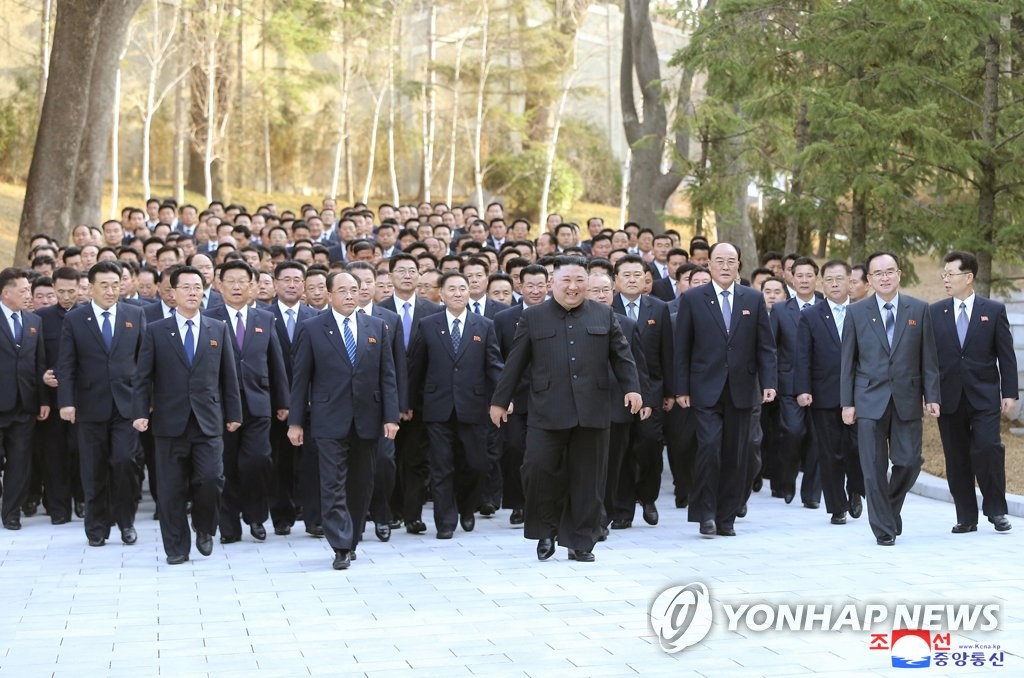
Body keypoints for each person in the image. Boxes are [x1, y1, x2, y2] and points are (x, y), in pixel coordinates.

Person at [490, 256, 642, 563]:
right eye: (565, 281)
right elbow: (515, 362)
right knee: (537, 470)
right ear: (552, 284)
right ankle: (545, 531)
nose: (573, 287)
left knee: (588, 479)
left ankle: (580, 541)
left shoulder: (603, 313)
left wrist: (633, 388)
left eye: (579, 281)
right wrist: (499, 400)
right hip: (547, 410)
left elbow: (622, 356)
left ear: (587, 282)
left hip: (593, 410)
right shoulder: (534, 317)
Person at [287, 271, 400, 570]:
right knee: (333, 484)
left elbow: (387, 376)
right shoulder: (312, 328)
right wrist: (295, 422)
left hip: (368, 419)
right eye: (343, 290)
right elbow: (300, 379)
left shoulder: (376, 326)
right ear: (329, 294)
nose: (350, 295)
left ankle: (353, 537)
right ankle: (339, 544)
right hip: (327, 419)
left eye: (355, 289)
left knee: (362, 484)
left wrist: (391, 416)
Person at [133, 265, 243, 564]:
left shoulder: (216, 328)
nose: (193, 292)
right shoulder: (155, 330)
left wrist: (234, 412)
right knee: (170, 490)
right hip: (169, 423)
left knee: (211, 479)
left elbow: (228, 376)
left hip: (208, 421)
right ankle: (176, 547)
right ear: (172, 292)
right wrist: (140, 412)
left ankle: (205, 527)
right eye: (187, 287)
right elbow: (143, 376)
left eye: (198, 287)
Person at [674, 243, 777, 538]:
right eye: (719, 260)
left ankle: (726, 516)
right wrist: (681, 387)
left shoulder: (753, 299)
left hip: (742, 389)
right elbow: (682, 347)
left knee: (737, 454)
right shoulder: (693, 298)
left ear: (738, 265)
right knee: (708, 448)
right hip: (704, 388)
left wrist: (769, 383)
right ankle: (705, 513)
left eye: (731, 261)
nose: (725, 265)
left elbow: (766, 346)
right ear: (709, 265)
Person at [840, 251, 940, 546]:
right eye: (878, 273)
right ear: (869, 280)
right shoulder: (856, 312)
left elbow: (929, 358)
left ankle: (888, 508)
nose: (885, 277)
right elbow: (848, 361)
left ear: (899, 274)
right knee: (872, 466)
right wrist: (848, 403)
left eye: (890, 271)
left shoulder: (919, 309)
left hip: (907, 397)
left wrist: (932, 395)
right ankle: (884, 528)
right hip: (869, 398)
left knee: (910, 461)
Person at [57, 261, 147, 546]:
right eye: (104, 285)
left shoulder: (136, 314)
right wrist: (66, 402)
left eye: (115, 284)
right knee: (93, 468)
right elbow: (67, 364)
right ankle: (96, 527)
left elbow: (144, 364)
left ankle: (126, 522)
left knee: (124, 462)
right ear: (91, 287)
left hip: (127, 406)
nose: (111, 290)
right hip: (89, 405)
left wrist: (147, 401)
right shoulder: (75, 319)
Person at [929, 251, 1016, 533]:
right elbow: (928, 359)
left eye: (950, 274)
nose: (945, 279)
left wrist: (1010, 393)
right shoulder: (935, 312)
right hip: (948, 396)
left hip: (984, 395)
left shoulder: (993, 310)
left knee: (988, 449)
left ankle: (996, 510)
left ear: (968, 277)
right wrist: (929, 395)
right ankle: (966, 516)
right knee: (956, 457)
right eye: (944, 274)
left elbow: (1006, 355)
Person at [414, 272, 504, 539]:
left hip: (473, 407)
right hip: (437, 407)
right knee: (442, 466)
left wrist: (502, 398)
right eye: (451, 289)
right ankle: (445, 521)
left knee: (476, 464)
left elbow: (495, 365)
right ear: (441, 294)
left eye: (462, 288)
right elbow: (416, 367)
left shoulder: (484, 325)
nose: (457, 293)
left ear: (469, 293)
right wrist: (408, 403)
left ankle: (466, 507)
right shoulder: (427, 324)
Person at [205, 261, 289, 544]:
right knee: (226, 465)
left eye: (243, 281)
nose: (237, 286)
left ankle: (255, 516)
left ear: (253, 285)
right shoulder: (210, 318)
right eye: (231, 281)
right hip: (222, 405)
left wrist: (283, 401)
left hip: (258, 402)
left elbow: (275, 361)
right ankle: (229, 525)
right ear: (220, 285)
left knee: (257, 460)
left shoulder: (264, 318)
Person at [795, 260, 864, 526]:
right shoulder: (811, 315)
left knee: (858, 448)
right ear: (822, 283)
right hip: (823, 394)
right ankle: (837, 506)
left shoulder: (862, 312)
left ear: (850, 281)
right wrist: (802, 389)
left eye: (840, 279)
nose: (835, 284)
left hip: (859, 394)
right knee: (830, 451)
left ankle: (856, 488)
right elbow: (803, 356)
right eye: (829, 280)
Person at [380, 253, 443, 535]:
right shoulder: (377, 312)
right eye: (401, 271)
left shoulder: (433, 311)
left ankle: (413, 515)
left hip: (422, 400)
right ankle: (389, 510)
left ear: (420, 276)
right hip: (385, 401)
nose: (407, 275)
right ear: (390, 276)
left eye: (412, 270)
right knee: (387, 458)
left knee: (417, 460)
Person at [610, 255, 673, 528]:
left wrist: (669, 392)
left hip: (652, 392)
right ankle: (623, 509)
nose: (633, 279)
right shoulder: (605, 308)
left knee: (649, 445)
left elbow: (667, 353)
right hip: (617, 394)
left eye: (638, 274)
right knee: (621, 451)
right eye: (627, 275)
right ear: (616, 280)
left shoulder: (658, 308)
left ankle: (647, 498)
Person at [491, 264, 549, 526]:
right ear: (520, 287)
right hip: (515, 398)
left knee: (542, 454)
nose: (536, 291)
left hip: (548, 397)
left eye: (541, 285)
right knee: (514, 448)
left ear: (548, 286)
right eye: (530, 285)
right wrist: (503, 398)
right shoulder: (504, 319)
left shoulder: (558, 314)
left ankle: (541, 502)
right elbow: (497, 359)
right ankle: (518, 502)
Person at [0, 268, 49, 531]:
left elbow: (39, 362)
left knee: (20, 461)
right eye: (23, 290)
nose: (28, 295)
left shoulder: (33, 321)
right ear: (6, 293)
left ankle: (11, 512)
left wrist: (42, 399)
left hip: (25, 404)